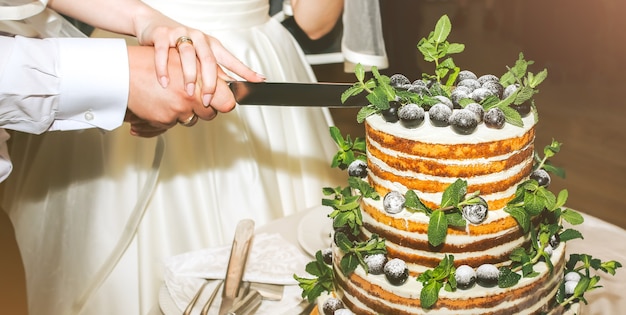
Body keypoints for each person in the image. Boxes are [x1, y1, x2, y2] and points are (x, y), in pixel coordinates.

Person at [2, 1, 387, 314]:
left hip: (166, 47)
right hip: (138, 54)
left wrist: (146, 18)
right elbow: (315, 22)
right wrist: (125, 60)